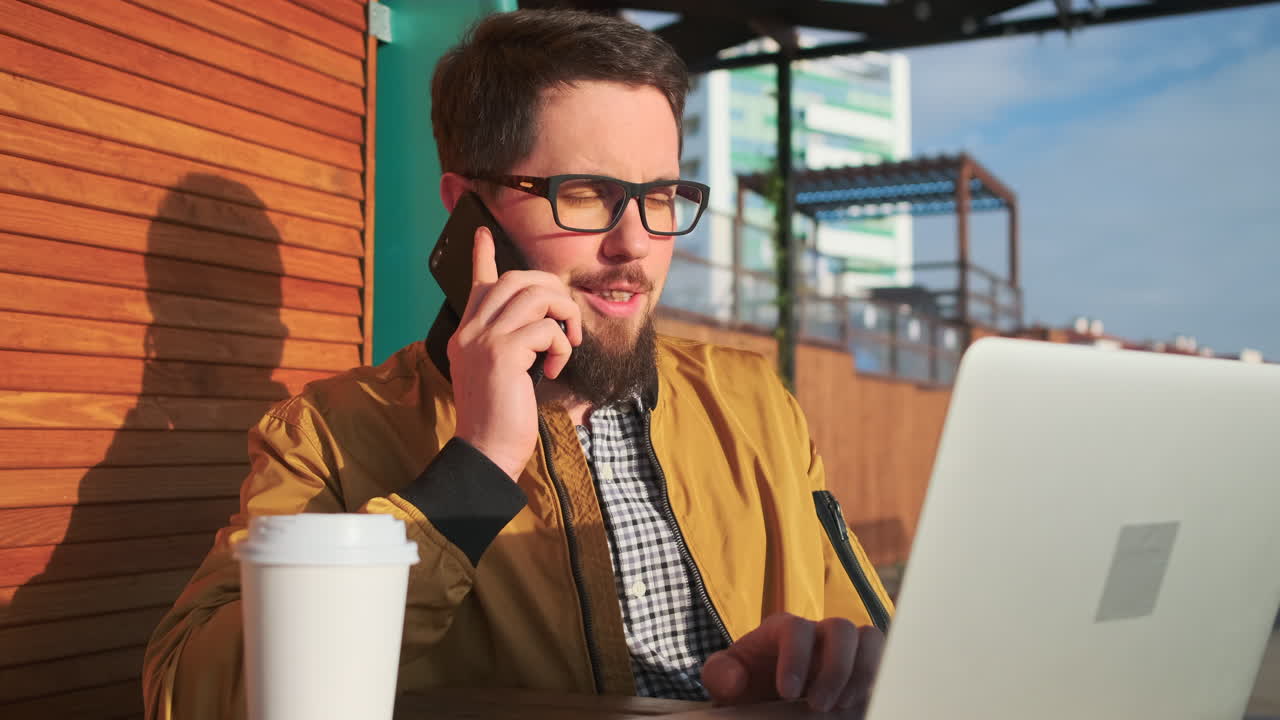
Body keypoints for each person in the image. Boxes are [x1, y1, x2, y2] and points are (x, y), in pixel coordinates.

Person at [143, 9, 893, 719]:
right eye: (588, 194)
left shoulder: (752, 398)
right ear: (469, 209)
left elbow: (881, 641)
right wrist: (474, 467)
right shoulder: (327, 437)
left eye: (661, 197)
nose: (635, 244)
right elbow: (189, 697)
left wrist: (834, 672)